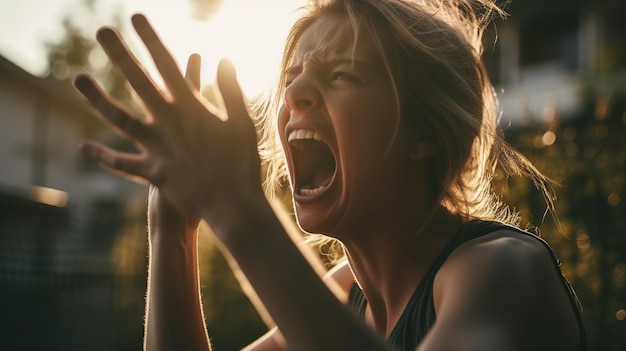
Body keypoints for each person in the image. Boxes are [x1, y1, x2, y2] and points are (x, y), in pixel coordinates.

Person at [74, 0, 587, 350]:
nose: (294, 94)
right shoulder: (349, 293)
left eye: (341, 74)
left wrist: (235, 207)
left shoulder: (501, 269)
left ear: (422, 134)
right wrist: (174, 230)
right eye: (291, 76)